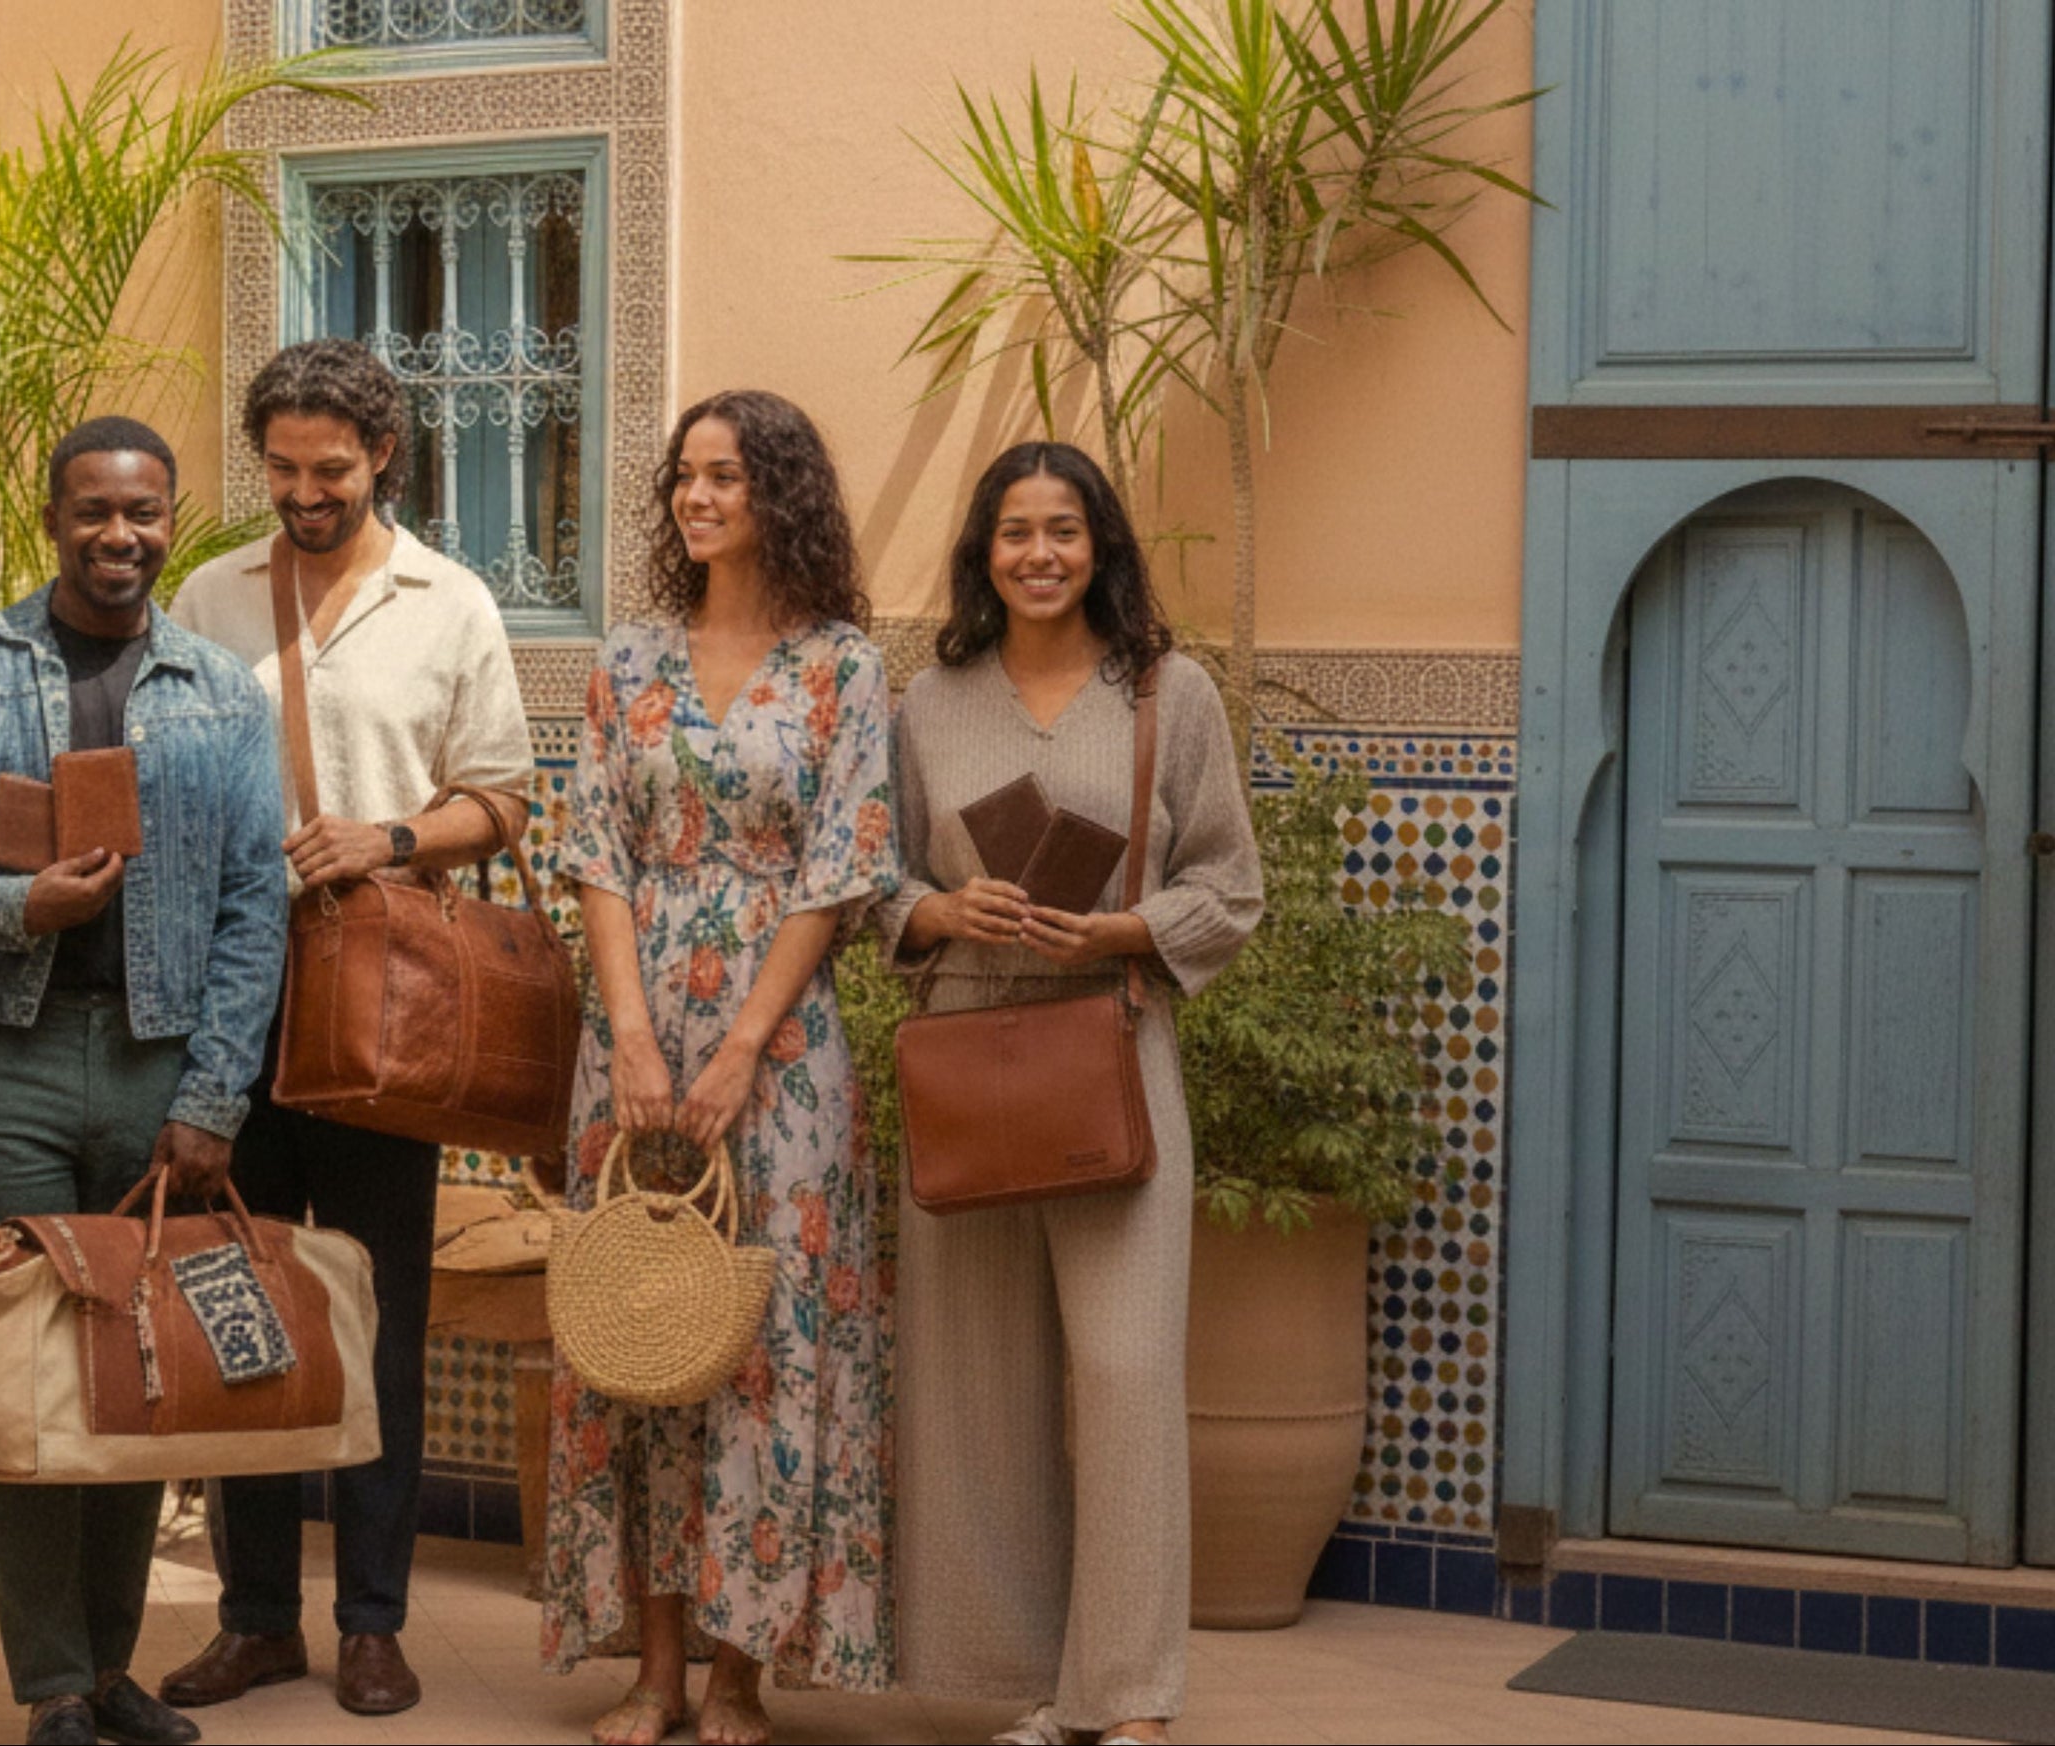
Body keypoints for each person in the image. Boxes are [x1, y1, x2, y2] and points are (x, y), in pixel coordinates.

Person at [156, 337, 534, 1720]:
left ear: (383, 457)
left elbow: (501, 798)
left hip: (390, 1022)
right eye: (281, 470)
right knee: (241, 1310)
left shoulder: (454, 604)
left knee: (378, 1320)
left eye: (330, 471)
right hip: (232, 1014)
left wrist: (384, 835)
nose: (303, 496)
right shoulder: (207, 593)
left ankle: (373, 1619)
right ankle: (256, 1617)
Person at [879, 441, 1263, 1746]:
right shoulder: (927, 700)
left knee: (1125, 1373)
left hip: (1113, 1056)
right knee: (981, 1385)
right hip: (966, 1058)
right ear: (983, 550)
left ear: (1100, 544)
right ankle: (1028, 1682)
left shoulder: (1169, 692)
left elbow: (1230, 887)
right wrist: (939, 904)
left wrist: (1121, 933)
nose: (1038, 554)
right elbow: (869, 883)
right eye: (1013, 531)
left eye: (1064, 530)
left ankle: (1130, 1698)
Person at [542, 391, 902, 1746]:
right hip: (634, 1040)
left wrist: (747, 1040)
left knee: (760, 1340)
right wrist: (630, 1032)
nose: (699, 499)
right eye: (685, 478)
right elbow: (596, 850)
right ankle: (651, 1664)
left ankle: (741, 1669)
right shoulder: (627, 661)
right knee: (641, 1327)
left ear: (781, 496)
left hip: (785, 1045)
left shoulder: (843, 668)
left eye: (728, 479)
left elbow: (844, 861)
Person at [0, 416, 288, 1746]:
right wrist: (25, 907)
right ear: (51, 516)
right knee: (27, 1372)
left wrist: (214, 1094)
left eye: (141, 512)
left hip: (157, 1068)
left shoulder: (221, 687)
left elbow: (261, 899)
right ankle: (50, 1685)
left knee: (136, 1375)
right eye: (92, 510)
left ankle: (113, 1665)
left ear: (170, 517)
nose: (118, 535)